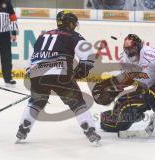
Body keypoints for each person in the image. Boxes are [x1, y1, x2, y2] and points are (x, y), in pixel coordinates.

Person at [16, 11, 101, 144]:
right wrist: (80, 72)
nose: (74, 26)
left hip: (37, 73)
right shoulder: (73, 35)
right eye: (74, 23)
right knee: (77, 102)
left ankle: (22, 129)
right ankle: (89, 130)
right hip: (60, 73)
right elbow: (89, 55)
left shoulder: (43, 35)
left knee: (37, 101)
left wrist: (31, 74)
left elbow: (31, 60)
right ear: (70, 23)